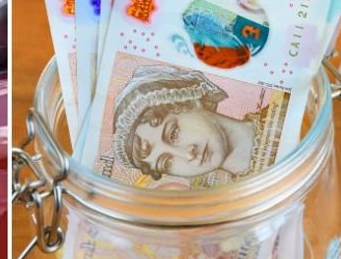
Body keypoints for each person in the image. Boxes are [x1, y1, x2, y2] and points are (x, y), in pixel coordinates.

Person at [111, 64, 276, 182]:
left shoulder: (282, 111)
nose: (188, 154)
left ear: (190, 100)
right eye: (167, 163)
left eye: (173, 133)